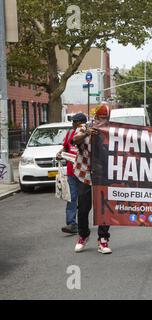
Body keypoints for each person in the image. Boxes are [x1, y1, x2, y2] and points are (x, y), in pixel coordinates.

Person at [72, 103, 112, 254]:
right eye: (101, 118)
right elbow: (75, 140)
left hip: (103, 175)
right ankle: (83, 235)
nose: (103, 121)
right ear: (95, 117)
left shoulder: (111, 130)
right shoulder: (84, 127)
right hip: (85, 175)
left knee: (104, 208)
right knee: (83, 208)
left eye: (106, 118)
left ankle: (103, 239)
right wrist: (87, 133)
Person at [57, 113, 87, 234]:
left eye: (74, 122)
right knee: (72, 198)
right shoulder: (70, 133)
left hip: (84, 173)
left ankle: (83, 223)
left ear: (80, 123)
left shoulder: (87, 134)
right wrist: (60, 154)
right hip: (71, 172)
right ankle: (71, 224)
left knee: (84, 200)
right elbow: (65, 148)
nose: (72, 124)